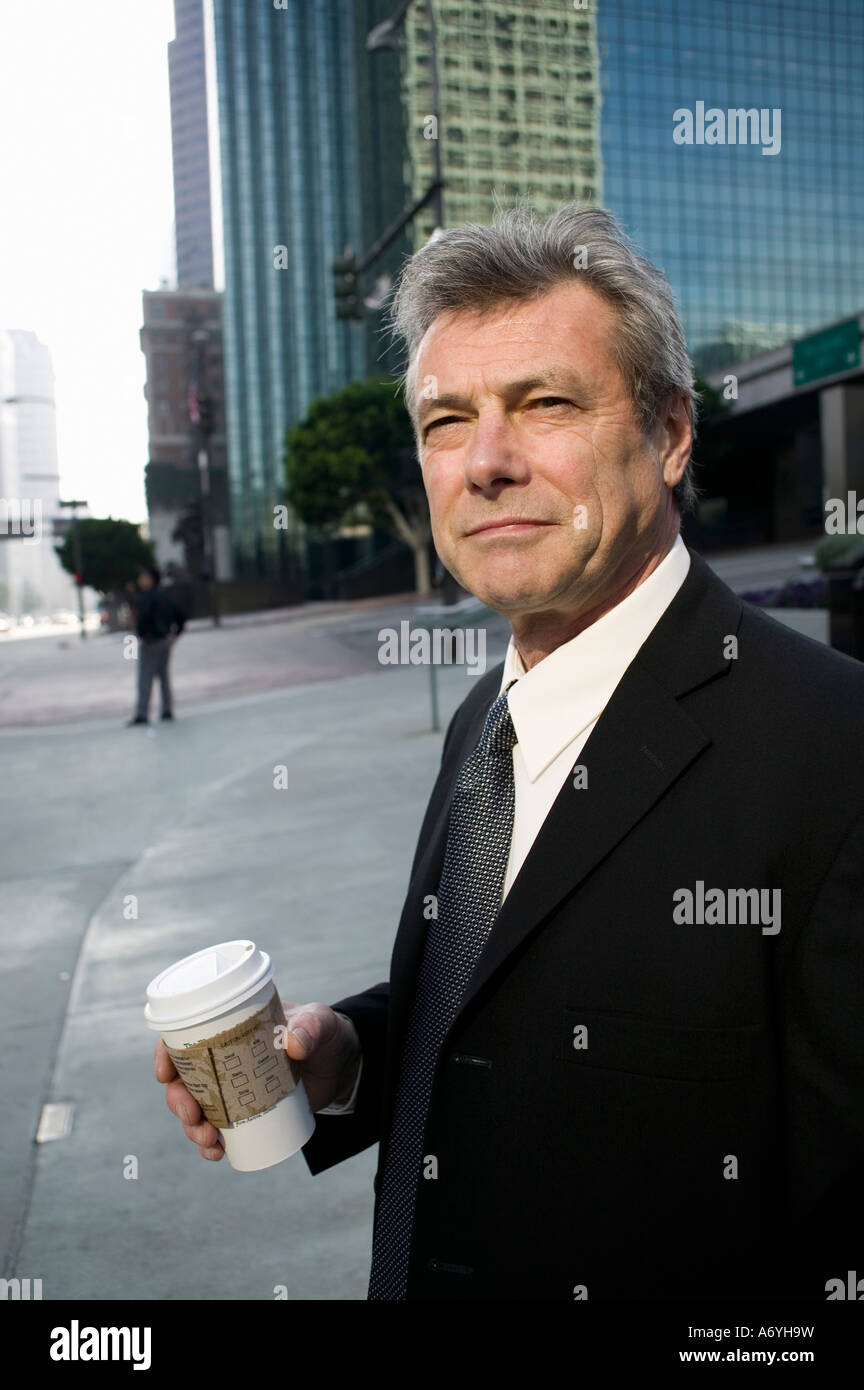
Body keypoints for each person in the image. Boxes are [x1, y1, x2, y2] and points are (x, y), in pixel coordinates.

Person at [155, 204, 864, 1301]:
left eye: (545, 404)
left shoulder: (836, 750)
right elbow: (497, 1014)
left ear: (672, 433)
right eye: (447, 422)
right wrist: (346, 1053)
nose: (485, 461)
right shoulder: (485, 714)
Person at [127, 564, 186, 726]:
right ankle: (167, 710)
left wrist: (142, 635)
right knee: (164, 677)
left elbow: (144, 618)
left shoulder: (146, 597)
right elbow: (181, 614)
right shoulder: (165, 596)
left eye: (143, 577)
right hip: (165, 640)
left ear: (150, 579)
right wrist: (176, 634)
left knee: (145, 678)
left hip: (151, 642)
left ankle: (142, 714)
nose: (140, 580)